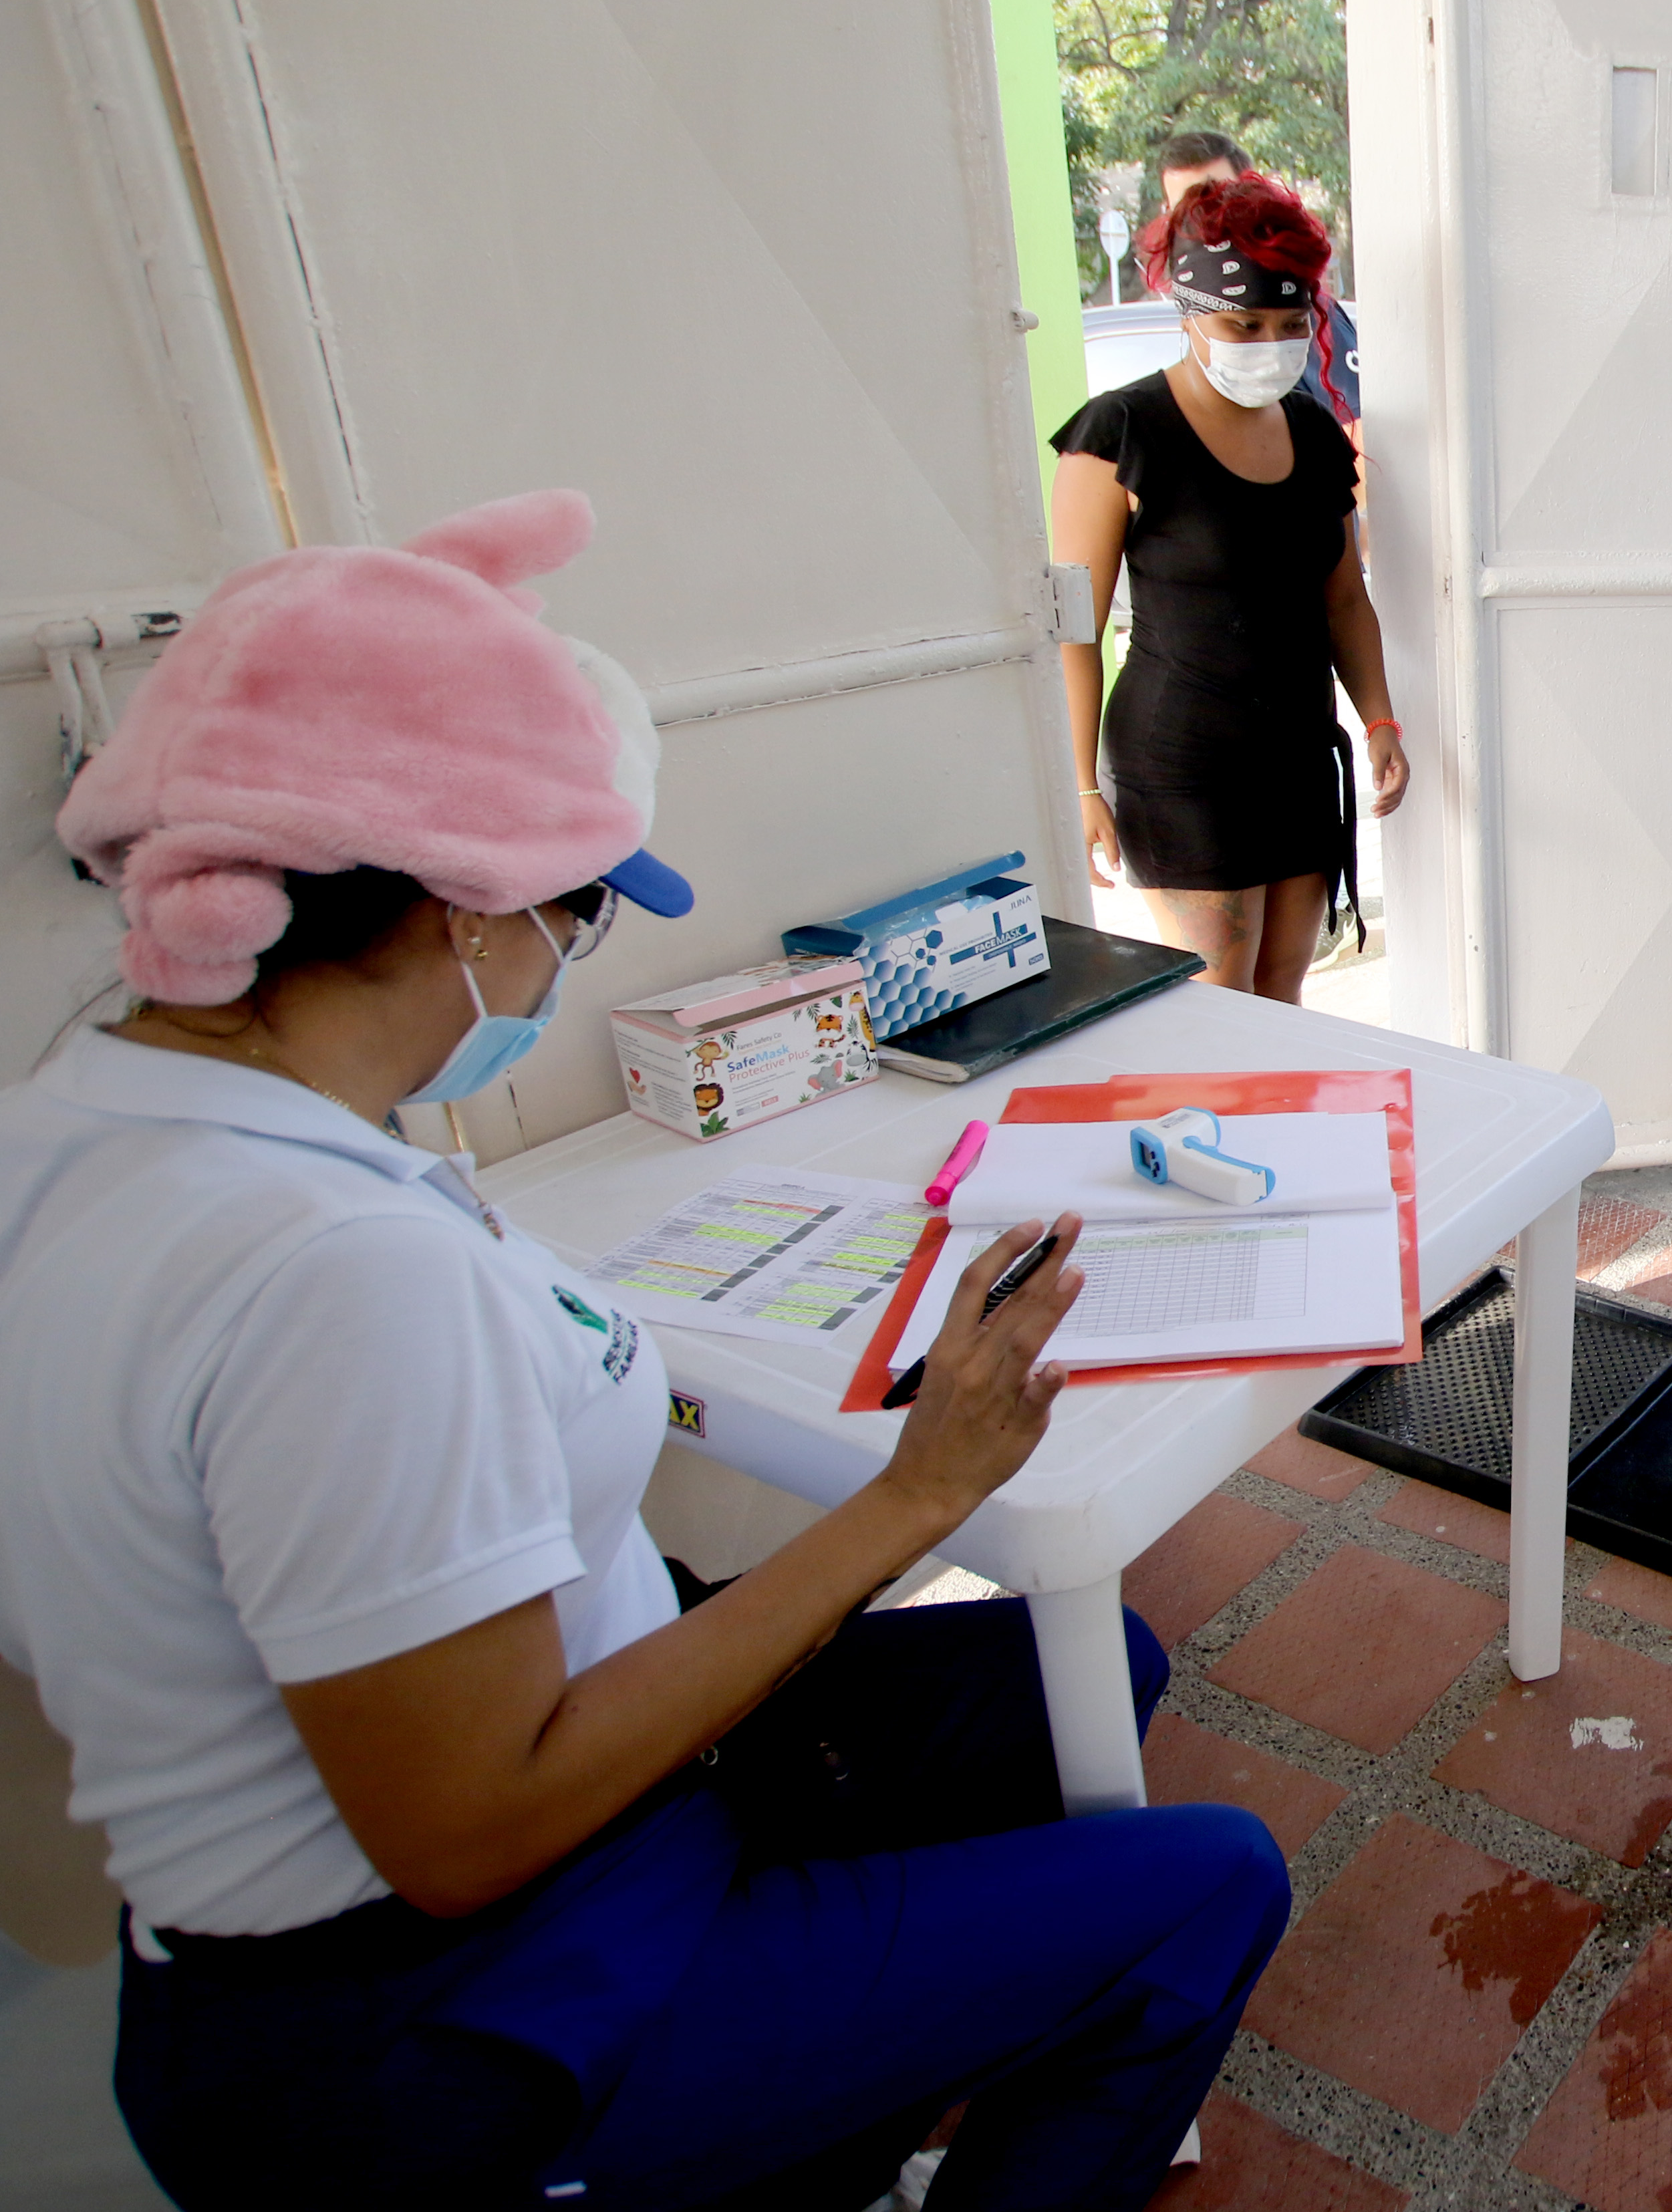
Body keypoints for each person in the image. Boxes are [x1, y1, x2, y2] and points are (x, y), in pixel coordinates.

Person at [0, 491, 1290, 2209]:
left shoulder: (79, 1132)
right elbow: (466, 1833)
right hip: (434, 2020)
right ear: (466, 909)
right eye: (578, 912)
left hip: (476, 1856)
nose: (562, 957)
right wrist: (920, 1492)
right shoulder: (335, 1277)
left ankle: (804, 2139)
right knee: (1206, 1888)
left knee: (1077, 1679)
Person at [1051, 172, 1407, 998]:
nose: (1271, 343)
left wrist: (1379, 716)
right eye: (1246, 324)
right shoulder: (1119, 433)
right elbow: (1076, 629)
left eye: (1291, 325)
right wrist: (1078, 786)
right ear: (1189, 312)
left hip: (1299, 754)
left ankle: (1279, 1133)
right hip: (1183, 765)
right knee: (1218, 1001)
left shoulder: (1316, 432)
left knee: (1285, 991)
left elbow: (1344, 597)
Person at [1149, 132, 1359, 422]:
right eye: (1183, 209)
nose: (1202, 222)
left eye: (1216, 198)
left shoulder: (1303, 311)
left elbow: (1359, 433)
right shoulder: (1130, 422)